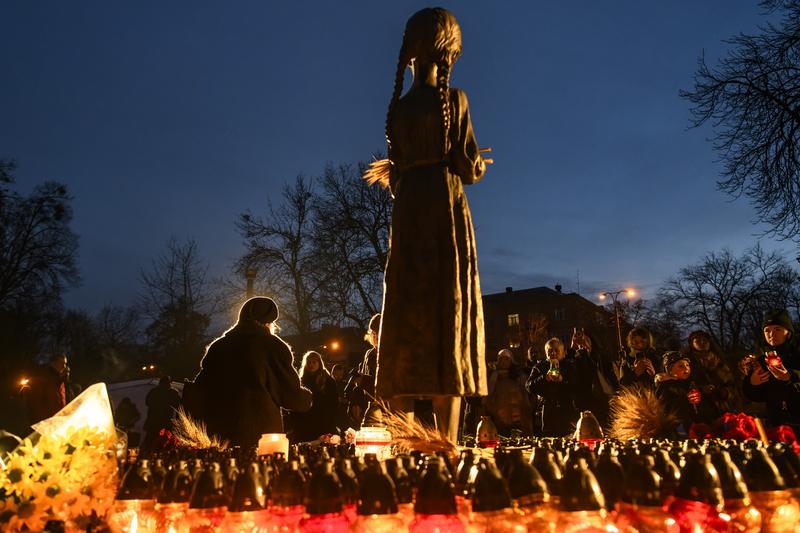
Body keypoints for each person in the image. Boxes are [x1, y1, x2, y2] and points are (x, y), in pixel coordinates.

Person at [372, 7, 491, 441]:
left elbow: (397, 172)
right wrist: (478, 163)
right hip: (443, 204)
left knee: (406, 306)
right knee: (449, 306)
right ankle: (449, 442)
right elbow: (468, 164)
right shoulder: (454, 100)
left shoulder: (399, 110)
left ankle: (402, 436)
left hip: (409, 210)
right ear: (448, 50)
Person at [191, 297, 312, 448]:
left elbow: (201, 389)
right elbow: (289, 395)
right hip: (260, 434)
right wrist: (306, 398)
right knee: (257, 470)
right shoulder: (272, 346)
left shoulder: (219, 346)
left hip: (219, 433)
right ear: (268, 323)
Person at [741, 309, 800, 428]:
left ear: (788, 332)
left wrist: (791, 377)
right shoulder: (761, 360)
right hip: (777, 423)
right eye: (767, 330)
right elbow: (757, 396)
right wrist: (752, 383)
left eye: (777, 329)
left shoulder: (797, 353)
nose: (772, 334)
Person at [526, 338, 578, 437]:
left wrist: (563, 380)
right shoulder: (539, 367)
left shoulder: (570, 366)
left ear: (563, 353)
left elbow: (577, 385)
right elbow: (529, 386)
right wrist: (544, 378)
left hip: (568, 412)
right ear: (546, 353)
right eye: (550, 351)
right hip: (547, 413)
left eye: (556, 350)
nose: (553, 353)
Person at [656, 352, 720, 430]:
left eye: (687, 365)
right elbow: (666, 407)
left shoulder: (691, 384)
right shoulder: (666, 386)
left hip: (698, 426)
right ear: (669, 370)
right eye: (680, 366)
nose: (686, 368)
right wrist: (686, 400)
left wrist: (704, 392)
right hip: (678, 428)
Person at [569, 328, 619, 429]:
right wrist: (572, 348)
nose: (582, 342)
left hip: (605, 399)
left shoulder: (600, 356)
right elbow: (571, 372)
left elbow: (609, 375)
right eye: (580, 340)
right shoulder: (576, 358)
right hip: (586, 402)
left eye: (585, 339)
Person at [286, 351, 340, 443]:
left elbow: (333, 403)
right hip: (304, 424)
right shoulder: (301, 380)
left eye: (314, 362)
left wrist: (330, 422)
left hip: (322, 423)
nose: (311, 364)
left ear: (319, 363)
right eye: (309, 362)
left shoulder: (328, 381)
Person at [685, 330, 740, 412]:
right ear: (692, 344)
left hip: (725, 404)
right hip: (705, 407)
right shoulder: (688, 363)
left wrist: (726, 392)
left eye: (704, 340)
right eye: (697, 341)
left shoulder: (719, 359)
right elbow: (688, 384)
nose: (702, 342)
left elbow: (731, 381)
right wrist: (701, 389)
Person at [485, 349, 532, 435]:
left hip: (517, 414)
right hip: (500, 413)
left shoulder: (518, 375)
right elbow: (490, 393)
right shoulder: (494, 376)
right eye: (501, 359)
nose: (504, 362)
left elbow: (525, 391)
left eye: (507, 359)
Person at [25, 354, 69, 426]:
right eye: (61, 363)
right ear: (52, 363)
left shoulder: (60, 381)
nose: (64, 366)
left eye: (65, 364)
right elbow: (35, 404)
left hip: (58, 422)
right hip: (46, 424)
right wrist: (44, 422)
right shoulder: (42, 378)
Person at [143, 376, 180, 450]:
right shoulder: (173, 393)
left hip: (154, 420)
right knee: (166, 442)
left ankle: (147, 454)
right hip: (165, 421)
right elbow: (178, 406)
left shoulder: (154, 391)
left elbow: (147, 402)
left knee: (151, 441)